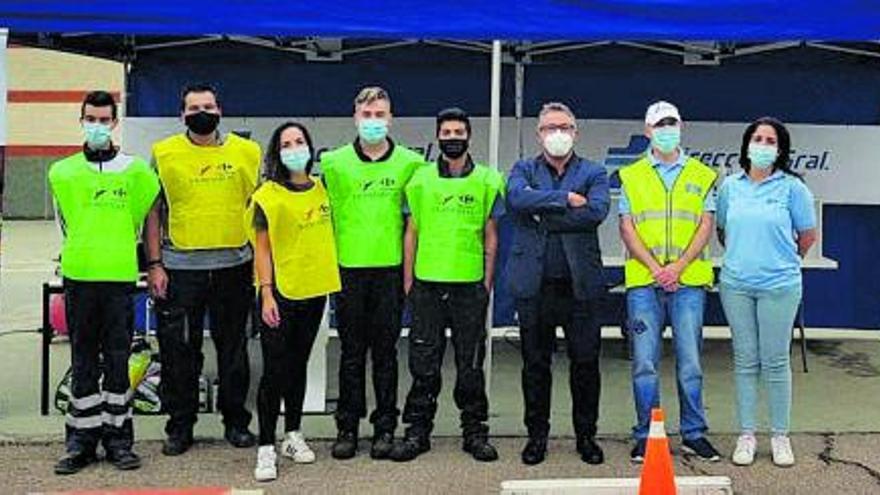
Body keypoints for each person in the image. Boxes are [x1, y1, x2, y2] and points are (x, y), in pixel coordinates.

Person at [146, 83, 260, 456]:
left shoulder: (248, 152)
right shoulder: (163, 153)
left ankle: (236, 422)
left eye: (208, 106)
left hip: (234, 266)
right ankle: (180, 427)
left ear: (220, 110)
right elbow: (154, 211)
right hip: (180, 269)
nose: (202, 112)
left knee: (234, 350)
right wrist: (155, 264)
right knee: (180, 352)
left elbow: (260, 210)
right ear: (182, 115)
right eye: (194, 108)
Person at [49, 90, 160, 474]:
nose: (96, 126)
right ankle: (80, 441)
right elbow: (64, 223)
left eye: (103, 120)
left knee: (117, 360)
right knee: (81, 360)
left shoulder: (137, 172)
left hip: (118, 276)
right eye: (90, 119)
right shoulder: (61, 172)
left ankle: (118, 440)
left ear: (115, 123)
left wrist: (154, 263)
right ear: (81, 120)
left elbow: (145, 219)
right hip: (79, 276)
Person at [390, 108, 504, 463]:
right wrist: (409, 281)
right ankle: (417, 432)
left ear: (469, 136)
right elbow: (411, 233)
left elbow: (491, 235)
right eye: (446, 132)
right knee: (423, 363)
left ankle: (474, 432)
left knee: (470, 365)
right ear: (437, 137)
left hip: (469, 287)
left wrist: (485, 283)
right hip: (426, 285)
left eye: (458, 132)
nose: (452, 137)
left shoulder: (489, 180)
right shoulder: (420, 180)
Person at [321, 86, 424, 459]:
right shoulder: (333, 163)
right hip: (347, 272)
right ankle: (347, 427)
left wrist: (410, 275)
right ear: (355, 118)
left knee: (385, 354)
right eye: (367, 115)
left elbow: (415, 224)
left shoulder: (411, 164)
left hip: (390, 273)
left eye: (380, 115)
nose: (373, 122)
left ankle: (385, 428)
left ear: (391, 118)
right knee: (350, 353)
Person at [506, 102, 610, 466]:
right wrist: (565, 199)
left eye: (564, 127)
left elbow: (595, 212)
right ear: (539, 134)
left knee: (585, 364)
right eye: (550, 128)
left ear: (575, 132)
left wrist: (541, 215)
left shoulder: (594, 172)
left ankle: (586, 436)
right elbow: (516, 199)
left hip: (581, 287)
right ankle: (537, 437)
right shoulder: (523, 168)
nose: (557, 134)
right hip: (534, 287)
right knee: (535, 365)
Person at [618, 100, 721, 463]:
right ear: (647, 130)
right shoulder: (630, 175)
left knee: (690, 361)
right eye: (659, 124)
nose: (666, 129)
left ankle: (694, 434)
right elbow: (627, 227)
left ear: (681, 125)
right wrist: (657, 269)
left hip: (688, 281)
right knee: (644, 362)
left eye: (671, 122)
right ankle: (647, 433)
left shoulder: (702, 174)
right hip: (644, 283)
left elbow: (706, 225)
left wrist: (677, 267)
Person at [717, 117, 817, 468]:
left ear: (780, 149)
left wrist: (781, 261)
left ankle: (779, 436)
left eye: (769, 140)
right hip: (736, 285)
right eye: (757, 138)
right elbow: (723, 231)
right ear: (746, 145)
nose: (762, 145)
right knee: (745, 360)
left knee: (775, 362)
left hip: (780, 286)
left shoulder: (793, 188)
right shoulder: (730, 186)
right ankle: (746, 434)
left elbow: (807, 236)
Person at [247, 122, 342, 481]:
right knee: (274, 370)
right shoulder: (268, 195)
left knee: (299, 365)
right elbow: (263, 248)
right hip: (279, 292)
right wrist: (266, 292)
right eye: (286, 143)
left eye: (299, 141)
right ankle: (266, 447)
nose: (294, 147)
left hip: (314, 290)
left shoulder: (323, 189)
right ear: (278, 151)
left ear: (309, 147)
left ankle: (293, 434)